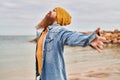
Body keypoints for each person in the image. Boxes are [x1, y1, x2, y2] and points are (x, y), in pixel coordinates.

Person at [35, 7, 106, 80]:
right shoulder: (44, 32)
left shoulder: (58, 31)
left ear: (59, 16)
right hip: (41, 76)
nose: (50, 11)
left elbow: (70, 36)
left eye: (54, 11)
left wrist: (88, 40)